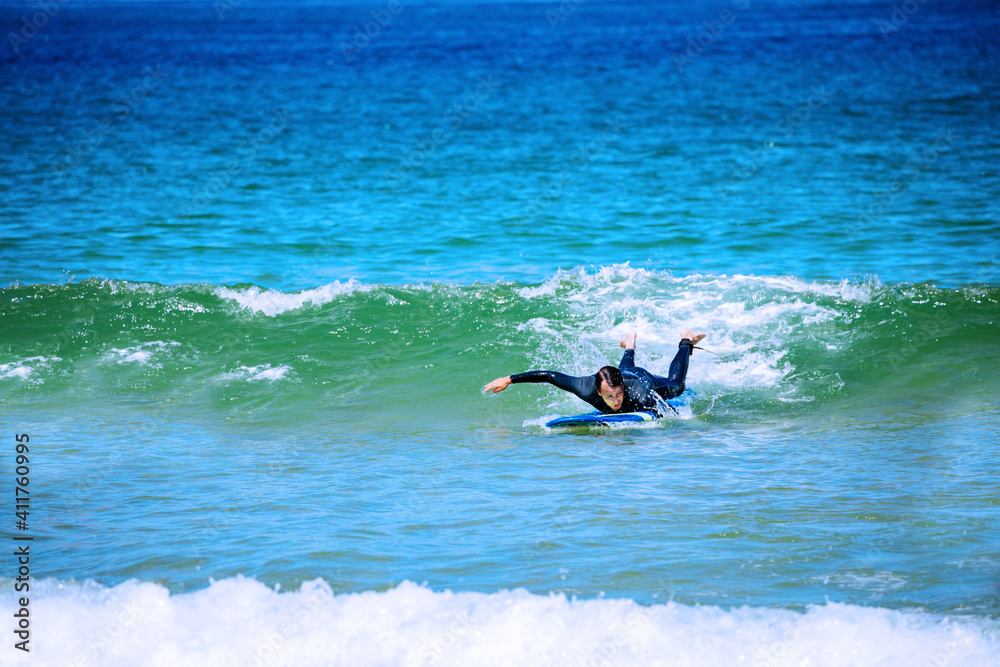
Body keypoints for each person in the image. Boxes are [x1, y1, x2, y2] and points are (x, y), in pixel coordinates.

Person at [483, 330, 706, 416]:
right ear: (598, 392)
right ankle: (629, 343)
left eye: (618, 394)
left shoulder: (638, 393)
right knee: (622, 369)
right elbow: (549, 376)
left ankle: (686, 340)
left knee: (677, 385)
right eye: (609, 396)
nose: (616, 400)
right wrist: (509, 380)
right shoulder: (584, 387)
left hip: (642, 379)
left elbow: (667, 412)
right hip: (620, 373)